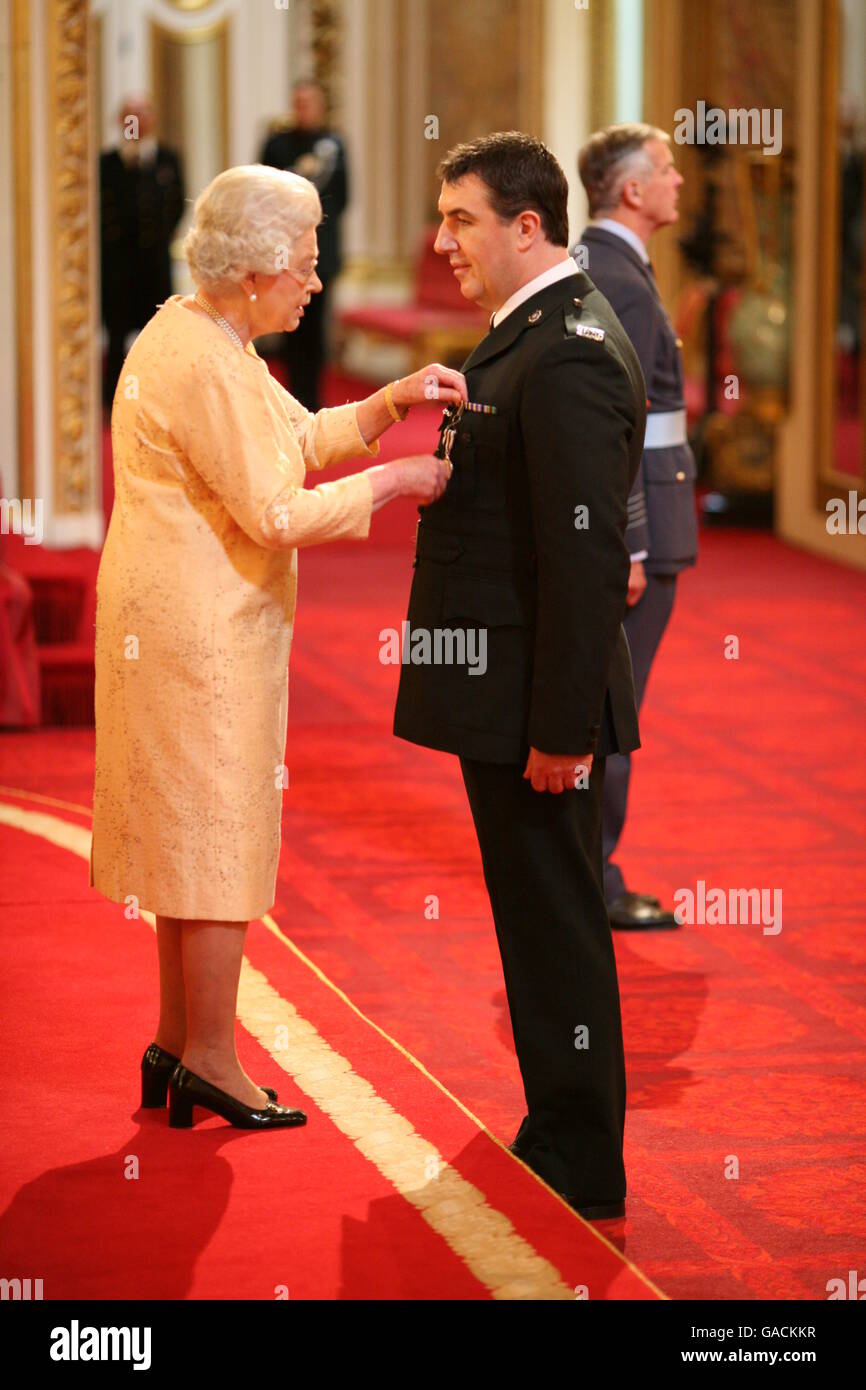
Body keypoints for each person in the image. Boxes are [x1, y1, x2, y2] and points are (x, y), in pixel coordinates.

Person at [89, 164, 464, 1131]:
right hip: (196, 634)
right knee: (215, 837)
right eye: (303, 262)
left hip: (177, 620)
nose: (315, 276)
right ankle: (211, 1054)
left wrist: (391, 402)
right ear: (254, 271)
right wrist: (399, 481)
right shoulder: (206, 360)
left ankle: (178, 1042)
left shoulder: (201, 333)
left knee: (188, 833)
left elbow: (294, 439)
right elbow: (275, 509)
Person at [393, 133, 646, 1220]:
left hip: (534, 706)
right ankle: (553, 1128)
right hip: (504, 692)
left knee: (554, 920)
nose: (442, 240)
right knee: (533, 917)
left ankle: (583, 1155)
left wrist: (559, 728)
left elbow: (585, 562)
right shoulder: (527, 336)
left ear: (526, 225)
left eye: (461, 219)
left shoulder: (570, 348)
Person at [575, 124, 698, 930]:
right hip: (641, 529)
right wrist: (636, 539)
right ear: (630, 191)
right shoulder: (618, 277)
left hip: (643, 517)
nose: (678, 181)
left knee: (603, 706)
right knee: (612, 712)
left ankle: (589, 873)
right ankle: (597, 880)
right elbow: (616, 420)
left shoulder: (606, 263)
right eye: (664, 169)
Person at [260, 80, 348, 410]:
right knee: (290, 326)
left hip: (322, 254)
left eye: (309, 102)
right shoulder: (277, 145)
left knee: (316, 330)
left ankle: (314, 400)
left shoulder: (335, 145)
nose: (303, 108)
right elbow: (264, 193)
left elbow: (343, 197)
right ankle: (292, 400)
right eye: (298, 102)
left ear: (320, 105)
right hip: (284, 252)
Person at [99, 94, 185, 409]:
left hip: (155, 264)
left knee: (157, 335)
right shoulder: (107, 163)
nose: (135, 121)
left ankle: (157, 395)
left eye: (141, 114)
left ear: (152, 119)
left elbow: (176, 203)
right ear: (120, 121)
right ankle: (115, 399)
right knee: (118, 332)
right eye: (129, 115)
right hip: (119, 266)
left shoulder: (166, 159)